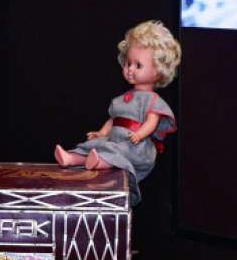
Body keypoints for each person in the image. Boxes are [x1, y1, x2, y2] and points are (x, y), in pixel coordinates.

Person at [53, 20, 180, 205]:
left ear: (158, 72)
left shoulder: (153, 100)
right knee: (96, 144)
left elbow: (151, 122)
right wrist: (102, 133)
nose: (130, 69)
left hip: (136, 147)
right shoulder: (122, 99)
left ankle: (98, 162)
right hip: (116, 140)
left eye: (138, 65)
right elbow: (114, 120)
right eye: (128, 63)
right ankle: (71, 158)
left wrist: (140, 134)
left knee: (114, 151)